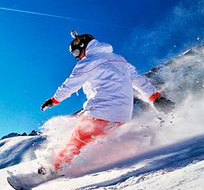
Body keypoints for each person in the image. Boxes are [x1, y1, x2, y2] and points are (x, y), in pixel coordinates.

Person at [40, 30, 175, 173]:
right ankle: (79, 166)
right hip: (122, 115)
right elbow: (138, 80)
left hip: (101, 110)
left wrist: (54, 100)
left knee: (77, 140)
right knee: (94, 142)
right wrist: (155, 98)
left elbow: (71, 84)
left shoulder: (89, 62)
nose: (77, 58)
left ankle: (53, 170)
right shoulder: (120, 59)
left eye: (76, 53)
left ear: (83, 47)